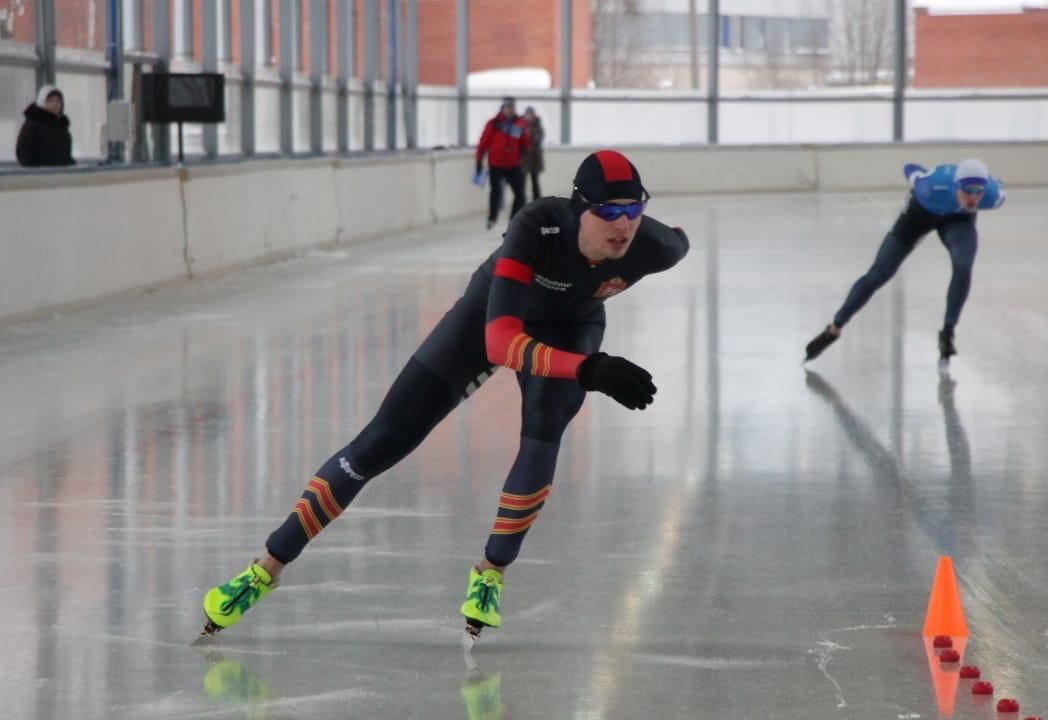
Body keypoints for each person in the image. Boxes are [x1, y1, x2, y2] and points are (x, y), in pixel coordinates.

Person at [201, 150, 690, 643]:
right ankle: (265, 567)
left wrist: (582, 361)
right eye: (609, 211)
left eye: (634, 208)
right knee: (383, 439)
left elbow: (680, 238)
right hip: (492, 316)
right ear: (580, 208)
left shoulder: (655, 246)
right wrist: (588, 369)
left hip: (571, 325)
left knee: (545, 430)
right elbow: (501, 344)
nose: (623, 224)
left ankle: (490, 574)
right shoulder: (537, 226)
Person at [804, 158, 1005, 364]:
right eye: (967, 191)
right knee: (879, 273)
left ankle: (948, 332)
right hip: (920, 215)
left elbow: (995, 186)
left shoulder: (993, 196)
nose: (973, 198)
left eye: (978, 192)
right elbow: (910, 169)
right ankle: (835, 328)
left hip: (957, 220)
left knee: (963, 264)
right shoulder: (929, 187)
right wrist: (917, 175)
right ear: (956, 186)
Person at [475, 97, 530, 230]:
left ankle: (514, 220)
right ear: (503, 108)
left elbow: (525, 143)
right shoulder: (493, 123)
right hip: (496, 164)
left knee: (520, 194)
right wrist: (479, 160)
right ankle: (492, 218)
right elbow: (483, 143)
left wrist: (524, 158)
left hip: (514, 164)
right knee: (496, 192)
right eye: (507, 107)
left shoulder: (520, 123)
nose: (510, 110)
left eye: (512, 107)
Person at [16, 85, 76, 167]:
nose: (55, 104)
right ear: (42, 102)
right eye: (50, 101)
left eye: (58, 101)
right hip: (41, 173)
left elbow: (65, 155)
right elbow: (24, 154)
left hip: (61, 173)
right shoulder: (32, 126)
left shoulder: (61, 127)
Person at [521, 106, 546, 201]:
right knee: (521, 183)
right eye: (528, 114)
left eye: (531, 114)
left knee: (535, 181)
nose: (530, 116)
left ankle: (537, 201)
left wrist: (530, 134)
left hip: (535, 158)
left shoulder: (538, 126)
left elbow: (538, 139)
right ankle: (522, 201)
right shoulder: (521, 125)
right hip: (524, 159)